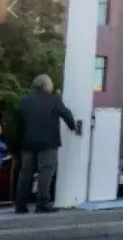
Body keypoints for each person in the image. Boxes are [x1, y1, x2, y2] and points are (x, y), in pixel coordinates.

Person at [14, 74, 77, 214]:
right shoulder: (53, 100)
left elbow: (18, 124)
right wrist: (73, 126)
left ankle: (20, 204)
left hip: (27, 143)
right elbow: (66, 114)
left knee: (25, 173)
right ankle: (42, 203)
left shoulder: (24, 101)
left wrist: (18, 143)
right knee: (46, 171)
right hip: (48, 142)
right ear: (47, 85)